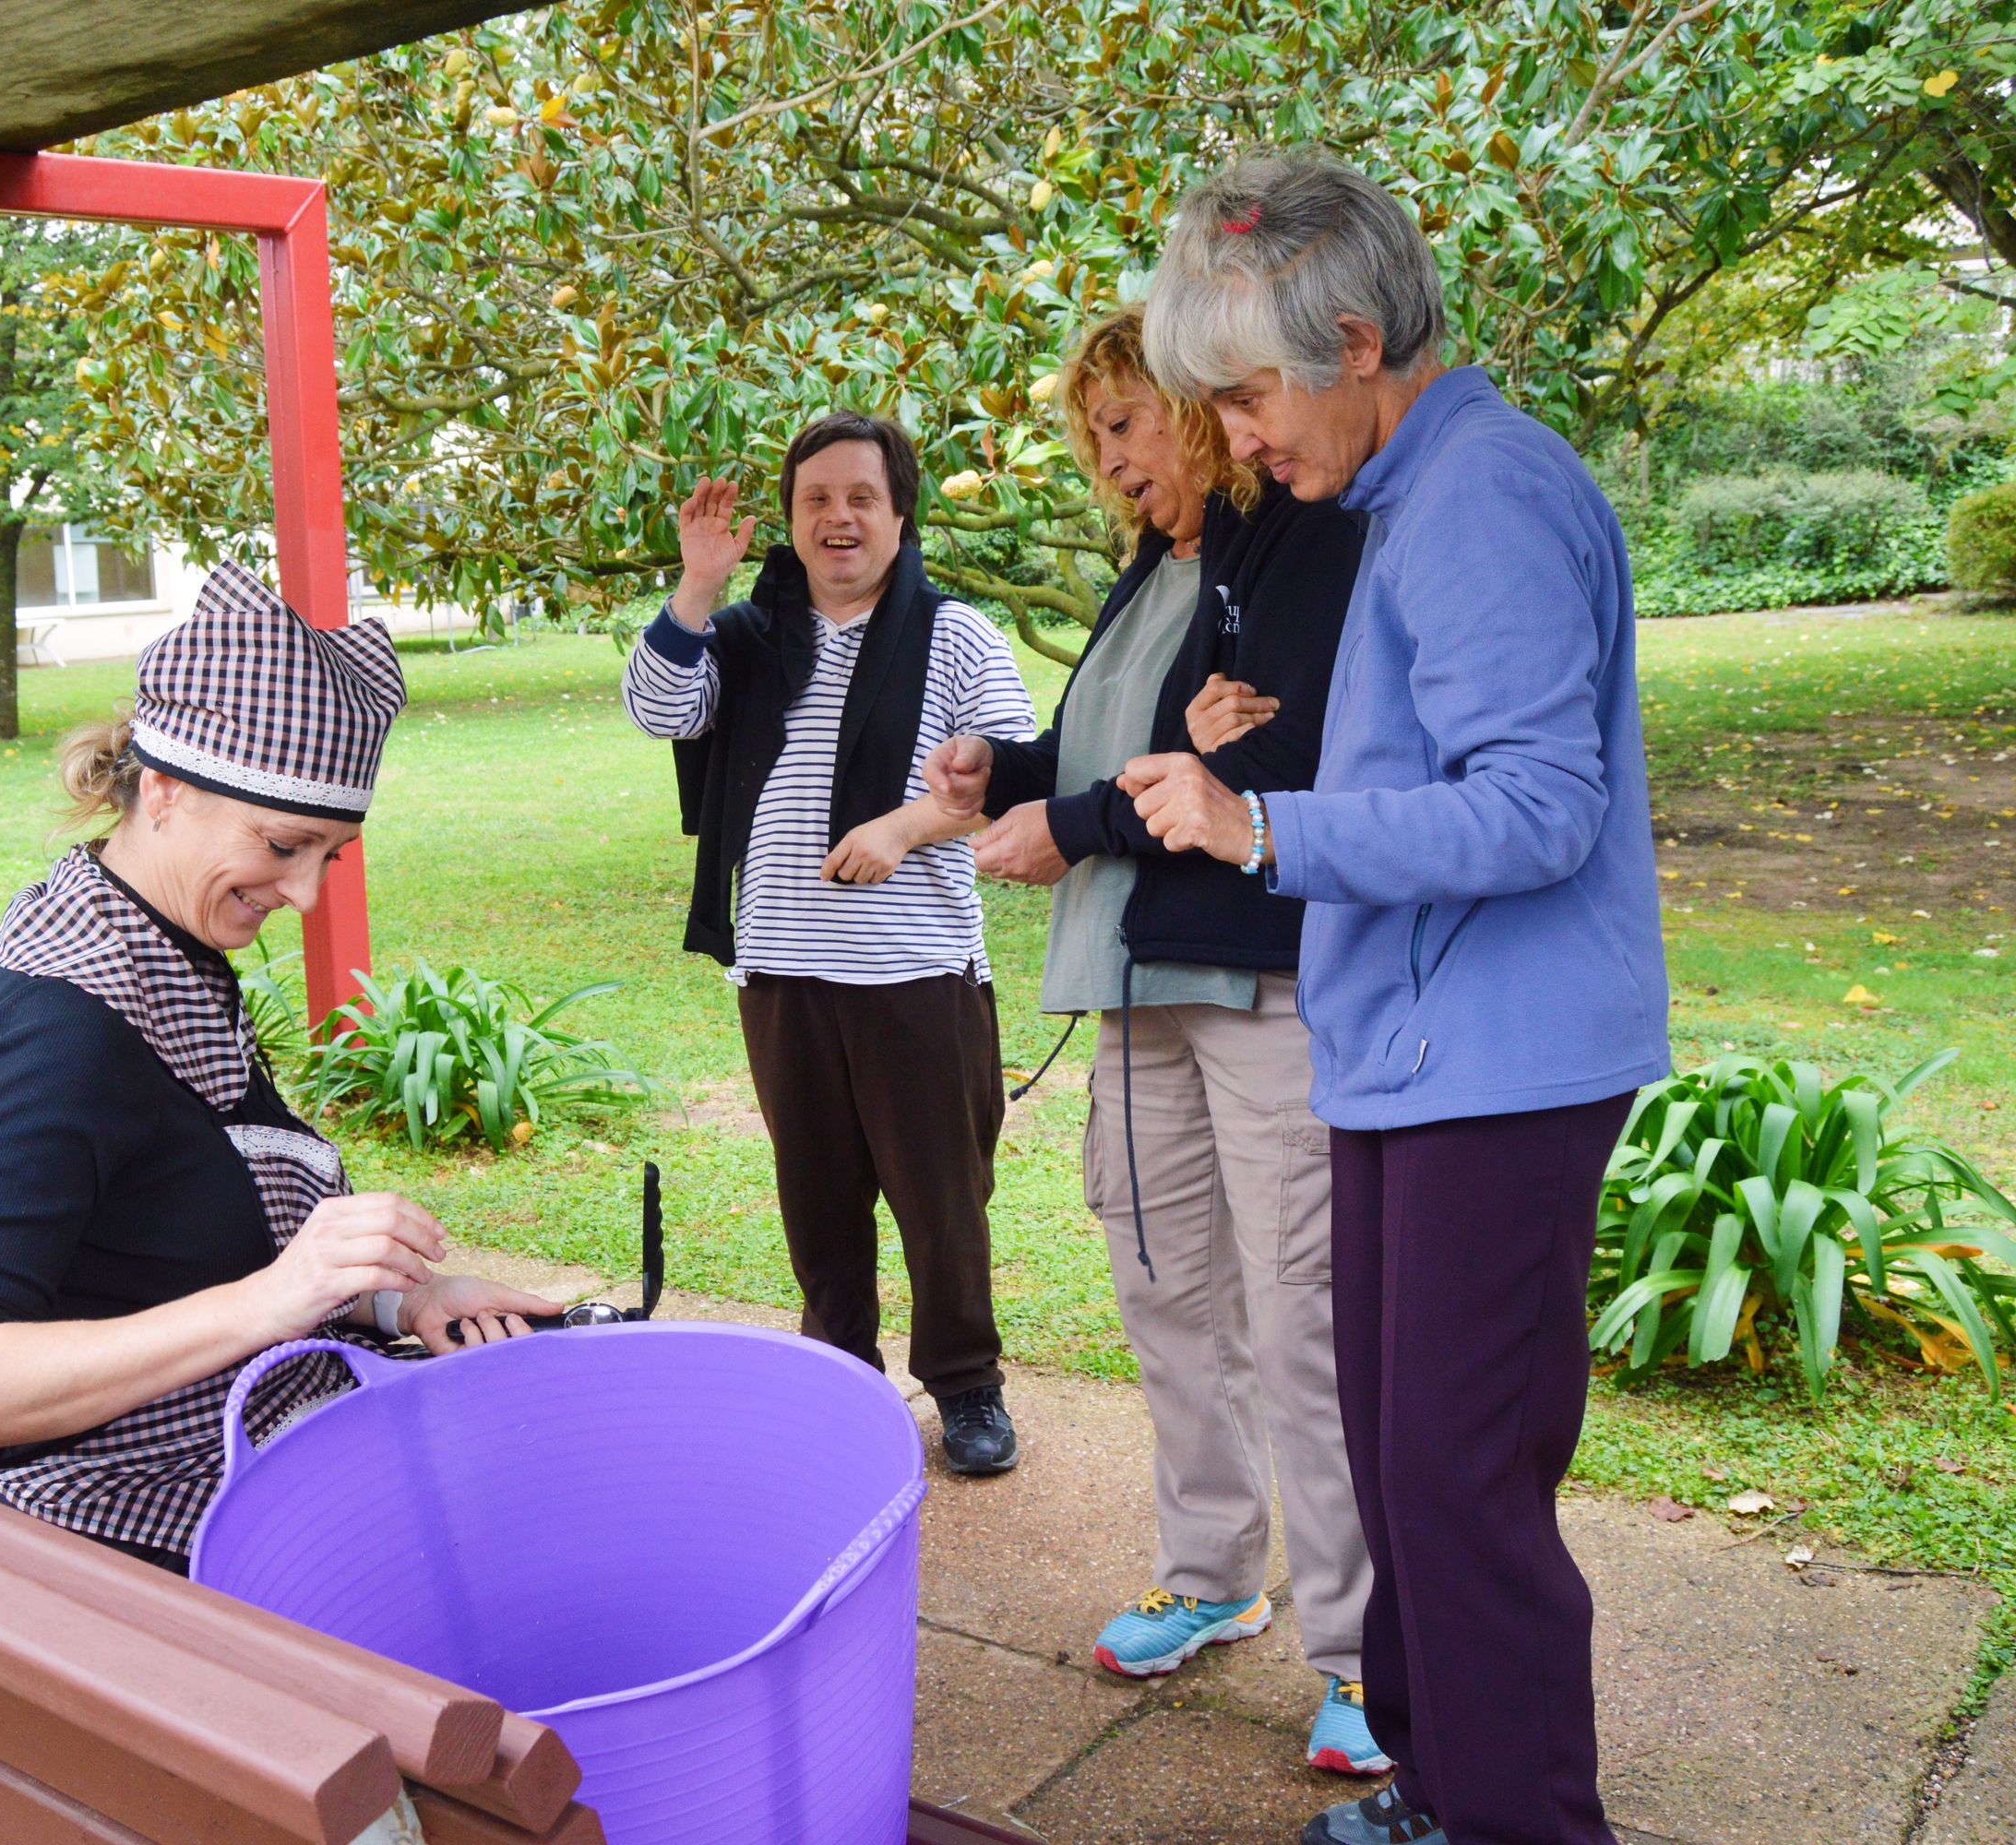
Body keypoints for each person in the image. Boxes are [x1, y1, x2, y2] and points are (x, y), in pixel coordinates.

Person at [1131, 154, 1671, 1845]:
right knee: (1405, 1470)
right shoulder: (1406, 497)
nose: (1235, 441)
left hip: (1497, 1072)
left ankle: (1516, 1821)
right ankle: (1433, 1793)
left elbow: (1536, 805)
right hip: (1415, 1060)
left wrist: (1258, 822)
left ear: (1354, 338)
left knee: (1459, 1499)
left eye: (1246, 395)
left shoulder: (1486, 490)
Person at [923, 306, 1386, 1776]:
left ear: (1198, 408)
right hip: (1135, 988)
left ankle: (1371, 1657)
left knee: (1303, 1320)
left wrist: (1077, 818)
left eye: (1126, 423)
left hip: (1260, 982)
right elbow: (1150, 753)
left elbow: (1279, 761)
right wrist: (1016, 770)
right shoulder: (1152, 574)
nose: (1109, 458)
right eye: (1095, 435)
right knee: (1169, 1294)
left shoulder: (1293, 545)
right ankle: (1210, 1576)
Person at [0, 565, 560, 1572]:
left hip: (237, 1451)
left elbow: (172, 1230)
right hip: (125, 1524)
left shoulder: (158, 944)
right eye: (285, 844)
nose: (302, 893)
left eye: (329, 855)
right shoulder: (64, 1031)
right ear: (162, 790)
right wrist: (273, 1299)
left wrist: (393, 1301)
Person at [620, 411, 1037, 1474]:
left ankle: (964, 1381)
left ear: (899, 513)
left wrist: (905, 824)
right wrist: (697, 586)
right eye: (815, 500)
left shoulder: (955, 635)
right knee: (817, 1198)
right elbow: (659, 706)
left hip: (916, 972)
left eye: (860, 496)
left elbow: (1016, 779)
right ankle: (843, 1377)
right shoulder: (751, 635)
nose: (837, 518)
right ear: (793, 520)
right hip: (785, 970)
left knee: (943, 1201)